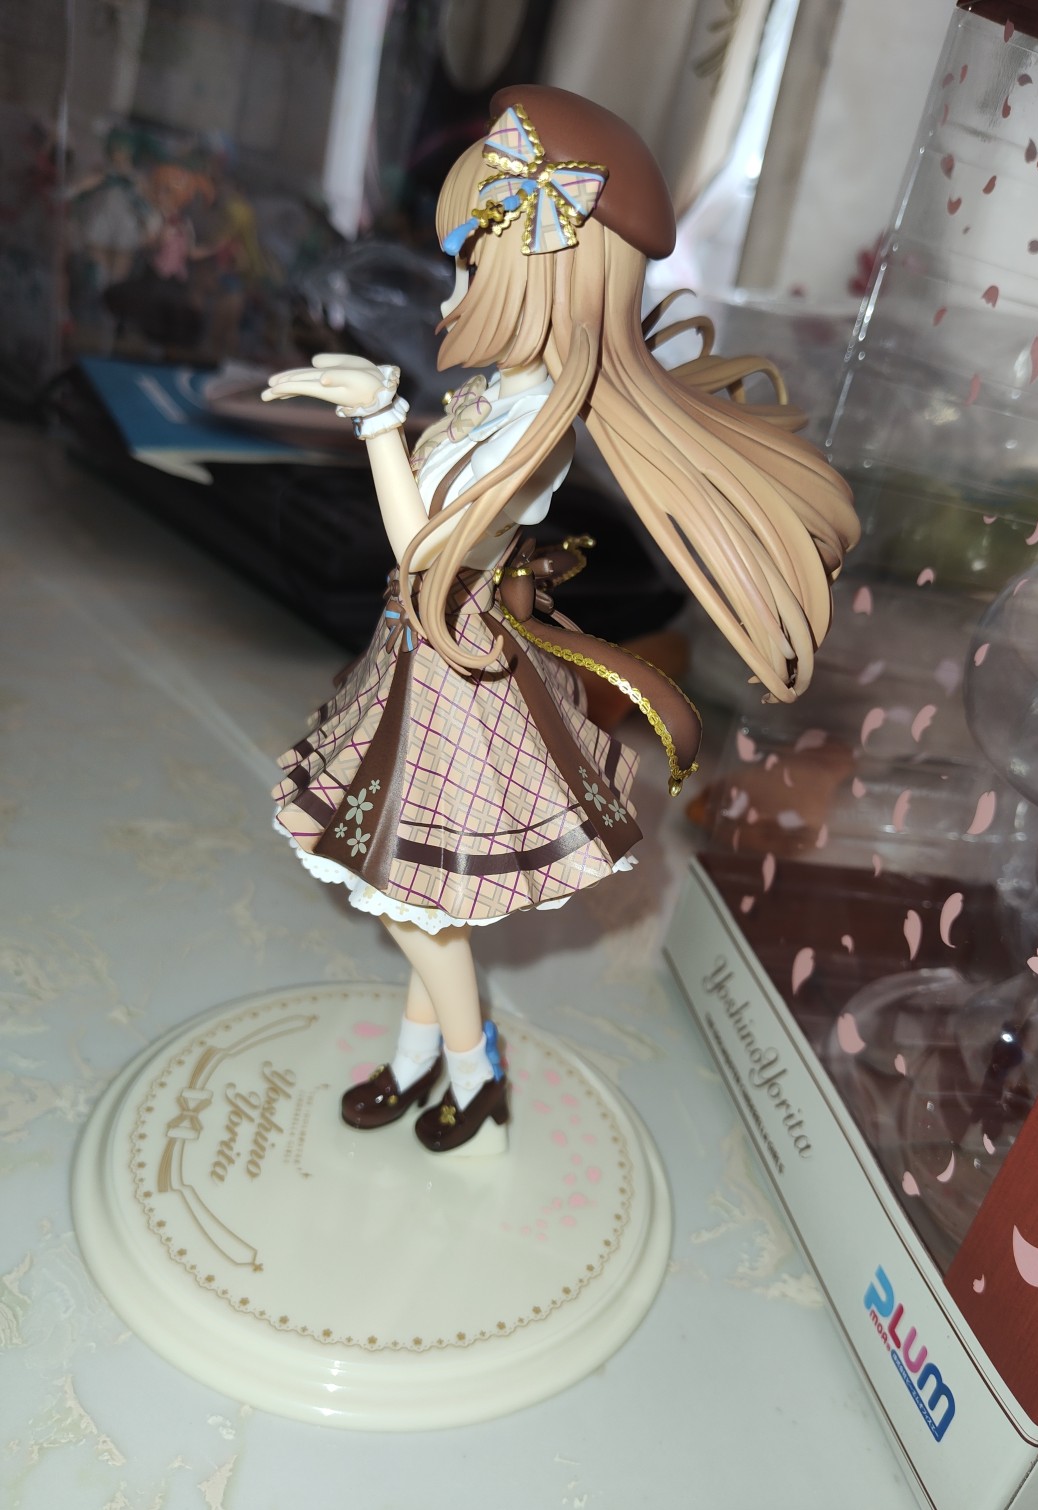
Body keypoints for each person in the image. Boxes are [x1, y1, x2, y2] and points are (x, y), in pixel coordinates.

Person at [264, 87, 859, 1155]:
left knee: (408, 905)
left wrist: (379, 420)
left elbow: (425, 546)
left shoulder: (537, 419)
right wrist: (394, 415)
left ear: (545, 270)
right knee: (419, 899)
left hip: (458, 675)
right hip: (425, 655)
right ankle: (420, 1058)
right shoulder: (503, 392)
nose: (458, 289)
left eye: (476, 262)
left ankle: (471, 1070)